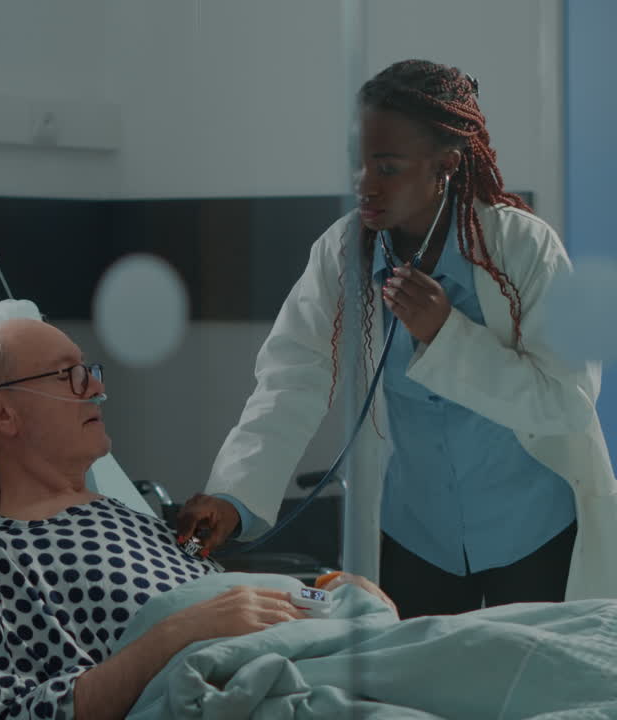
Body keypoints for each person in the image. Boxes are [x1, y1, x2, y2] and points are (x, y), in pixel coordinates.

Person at [180, 59, 617, 618]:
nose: (364, 183)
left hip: (533, 532)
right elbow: (292, 380)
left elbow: (566, 401)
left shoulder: (523, 248)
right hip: (415, 534)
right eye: (358, 163)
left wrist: (446, 336)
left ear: (446, 166)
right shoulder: (344, 253)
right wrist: (234, 495)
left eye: (386, 166)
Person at [0, 318, 392, 720]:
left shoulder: (133, 520)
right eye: (67, 376)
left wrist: (325, 588)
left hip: (309, 658)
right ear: (1, 412)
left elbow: (216, 593)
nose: (96, 388)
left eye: (89, 372)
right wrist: (176, 632)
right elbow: (15, 711)